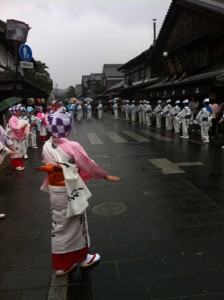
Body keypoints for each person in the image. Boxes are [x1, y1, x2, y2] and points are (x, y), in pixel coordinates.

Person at [36, 109, 120, 276]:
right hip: (70, 189)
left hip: (55, 190)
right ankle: (83, 258)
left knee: (59, 225)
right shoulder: (71, 146)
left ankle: (61, 265)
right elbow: (87, 164)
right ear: (68, 128)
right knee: (77, 223)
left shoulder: (46, 145)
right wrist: (104, 175)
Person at [8, 105, 30, 170]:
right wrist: (22, 127)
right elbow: (14, 128)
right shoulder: (12, 119)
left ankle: (16, 165)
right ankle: (18, 165)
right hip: (15, 137)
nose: (20, 111)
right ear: (15, 112)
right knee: (17, 151)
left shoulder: (18, 118)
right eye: (18, 110)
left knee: (20, 150)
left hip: (18, 137)